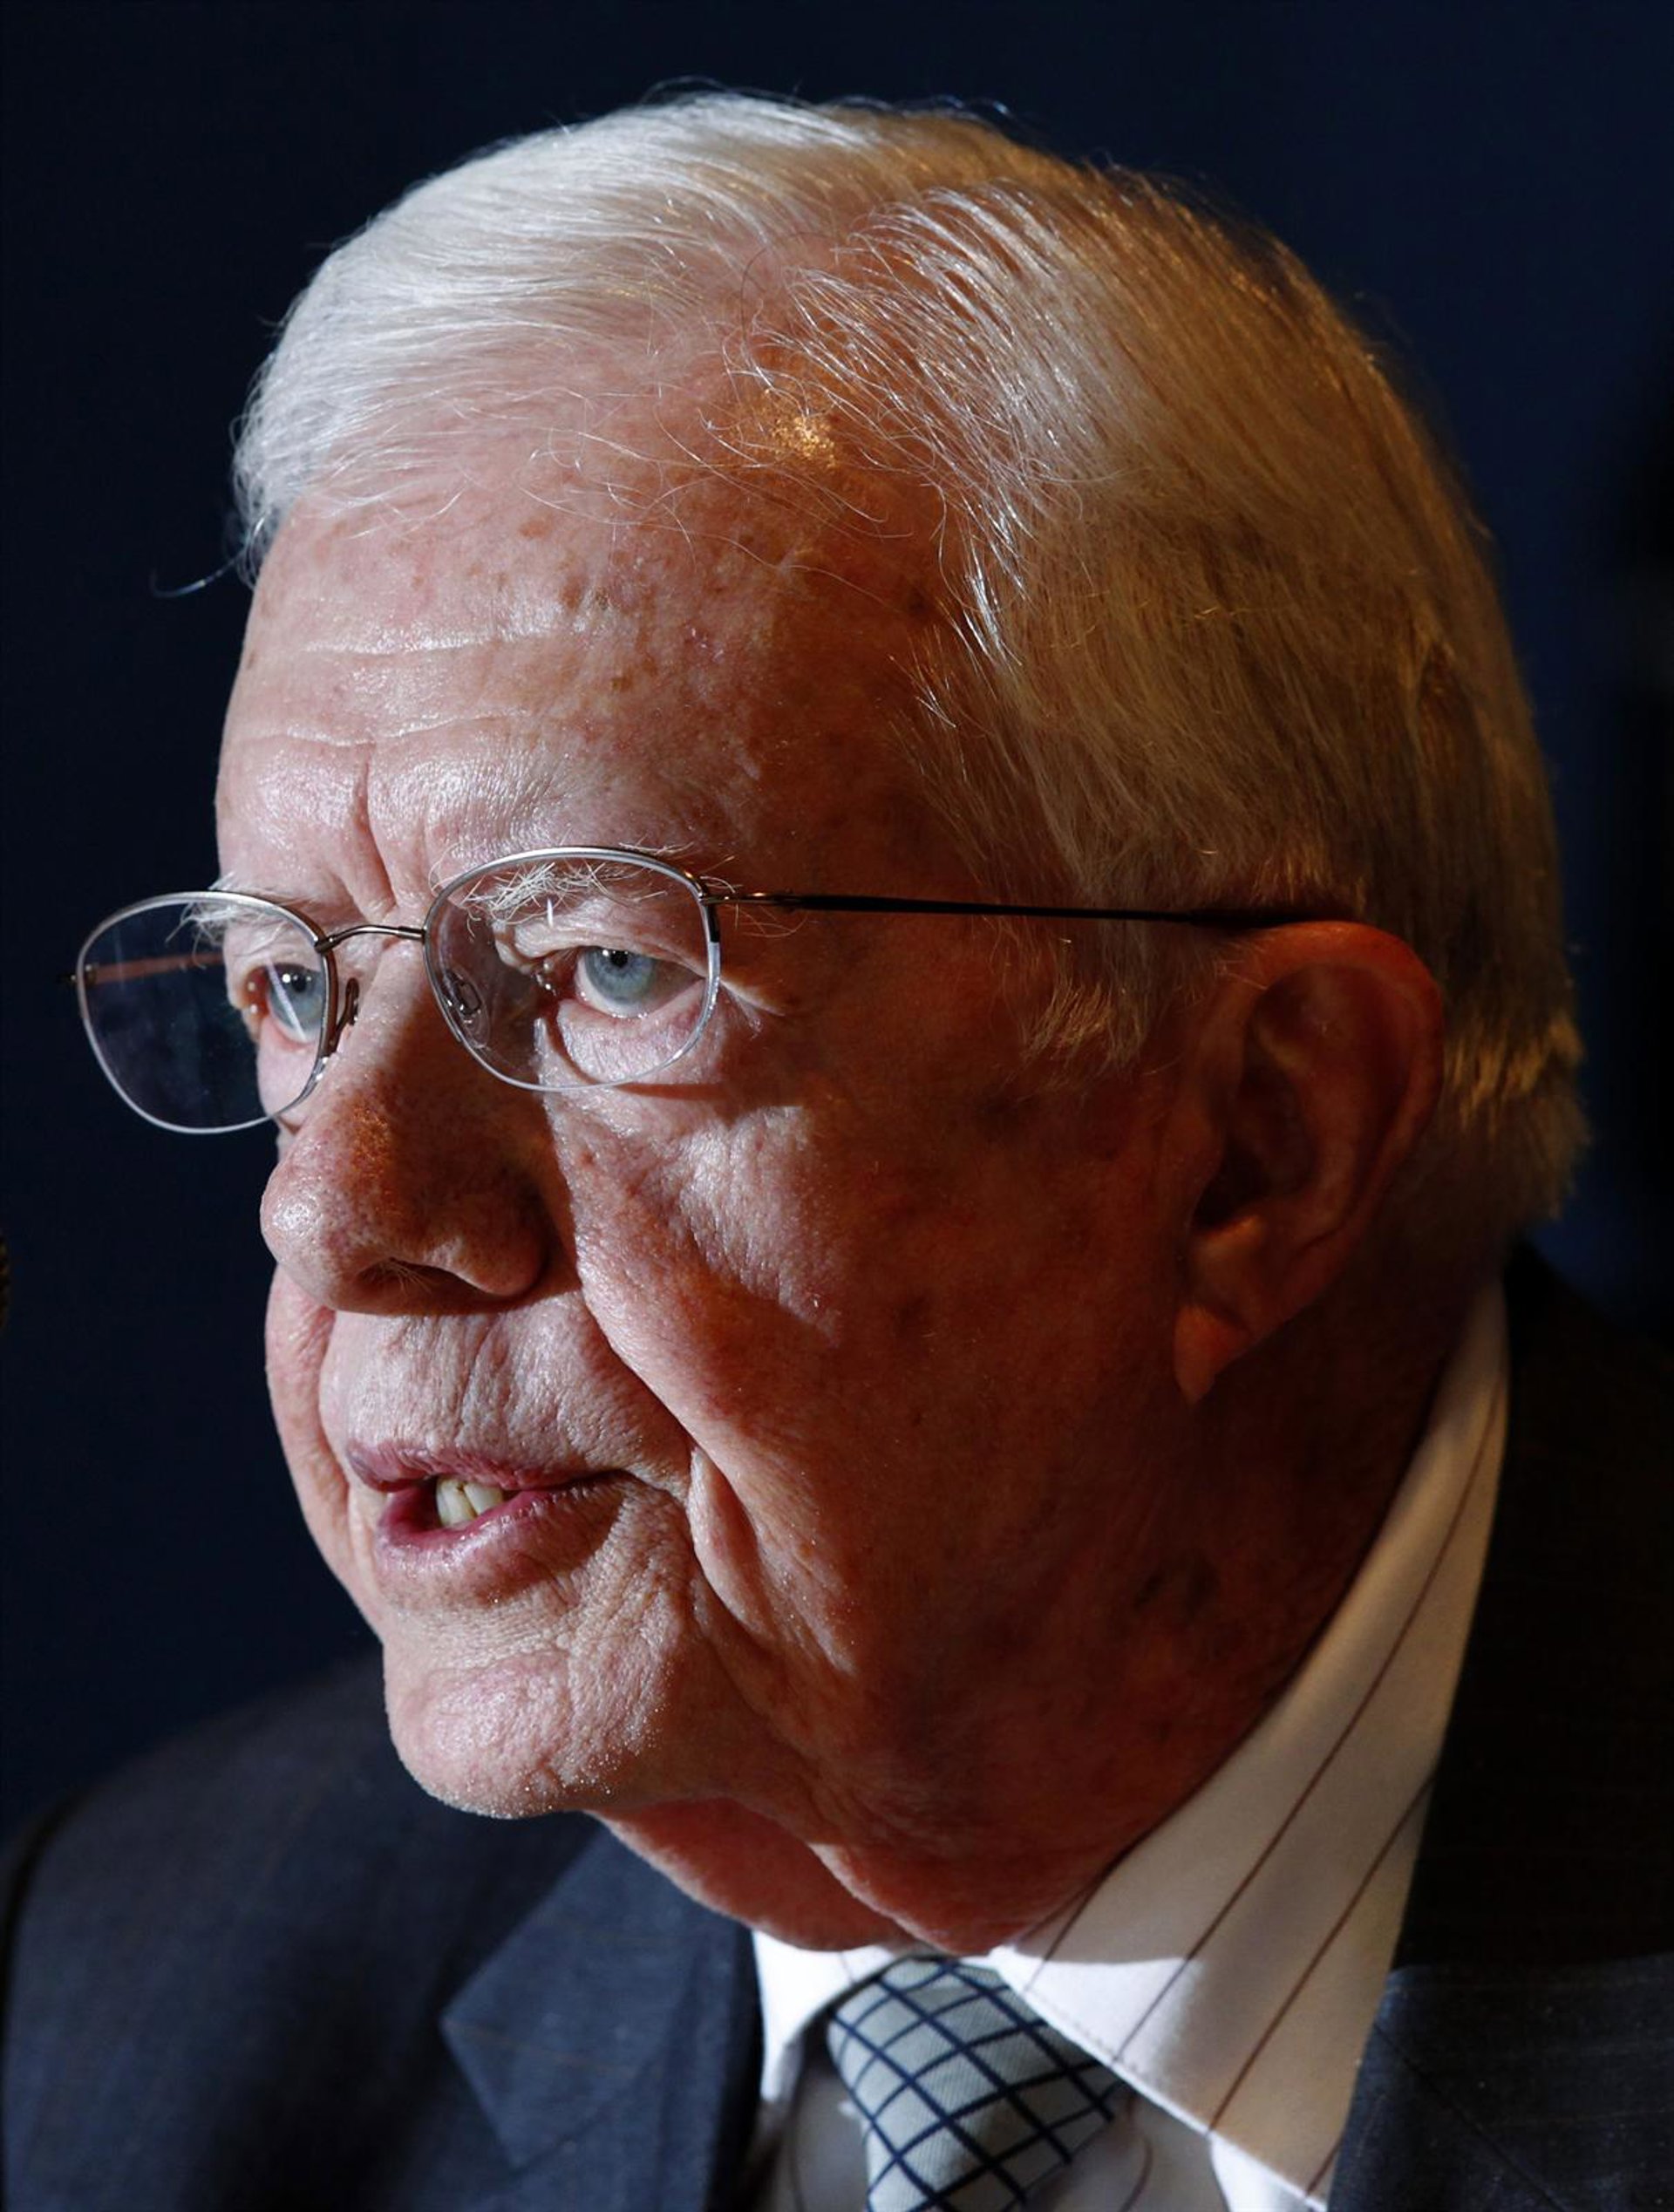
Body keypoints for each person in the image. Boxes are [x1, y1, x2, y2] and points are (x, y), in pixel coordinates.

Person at [4, 93, 1668, 2212]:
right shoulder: (127, 2013)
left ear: (1262, 1140)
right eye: (291, 986)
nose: (339, 1209)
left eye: (604, 969)